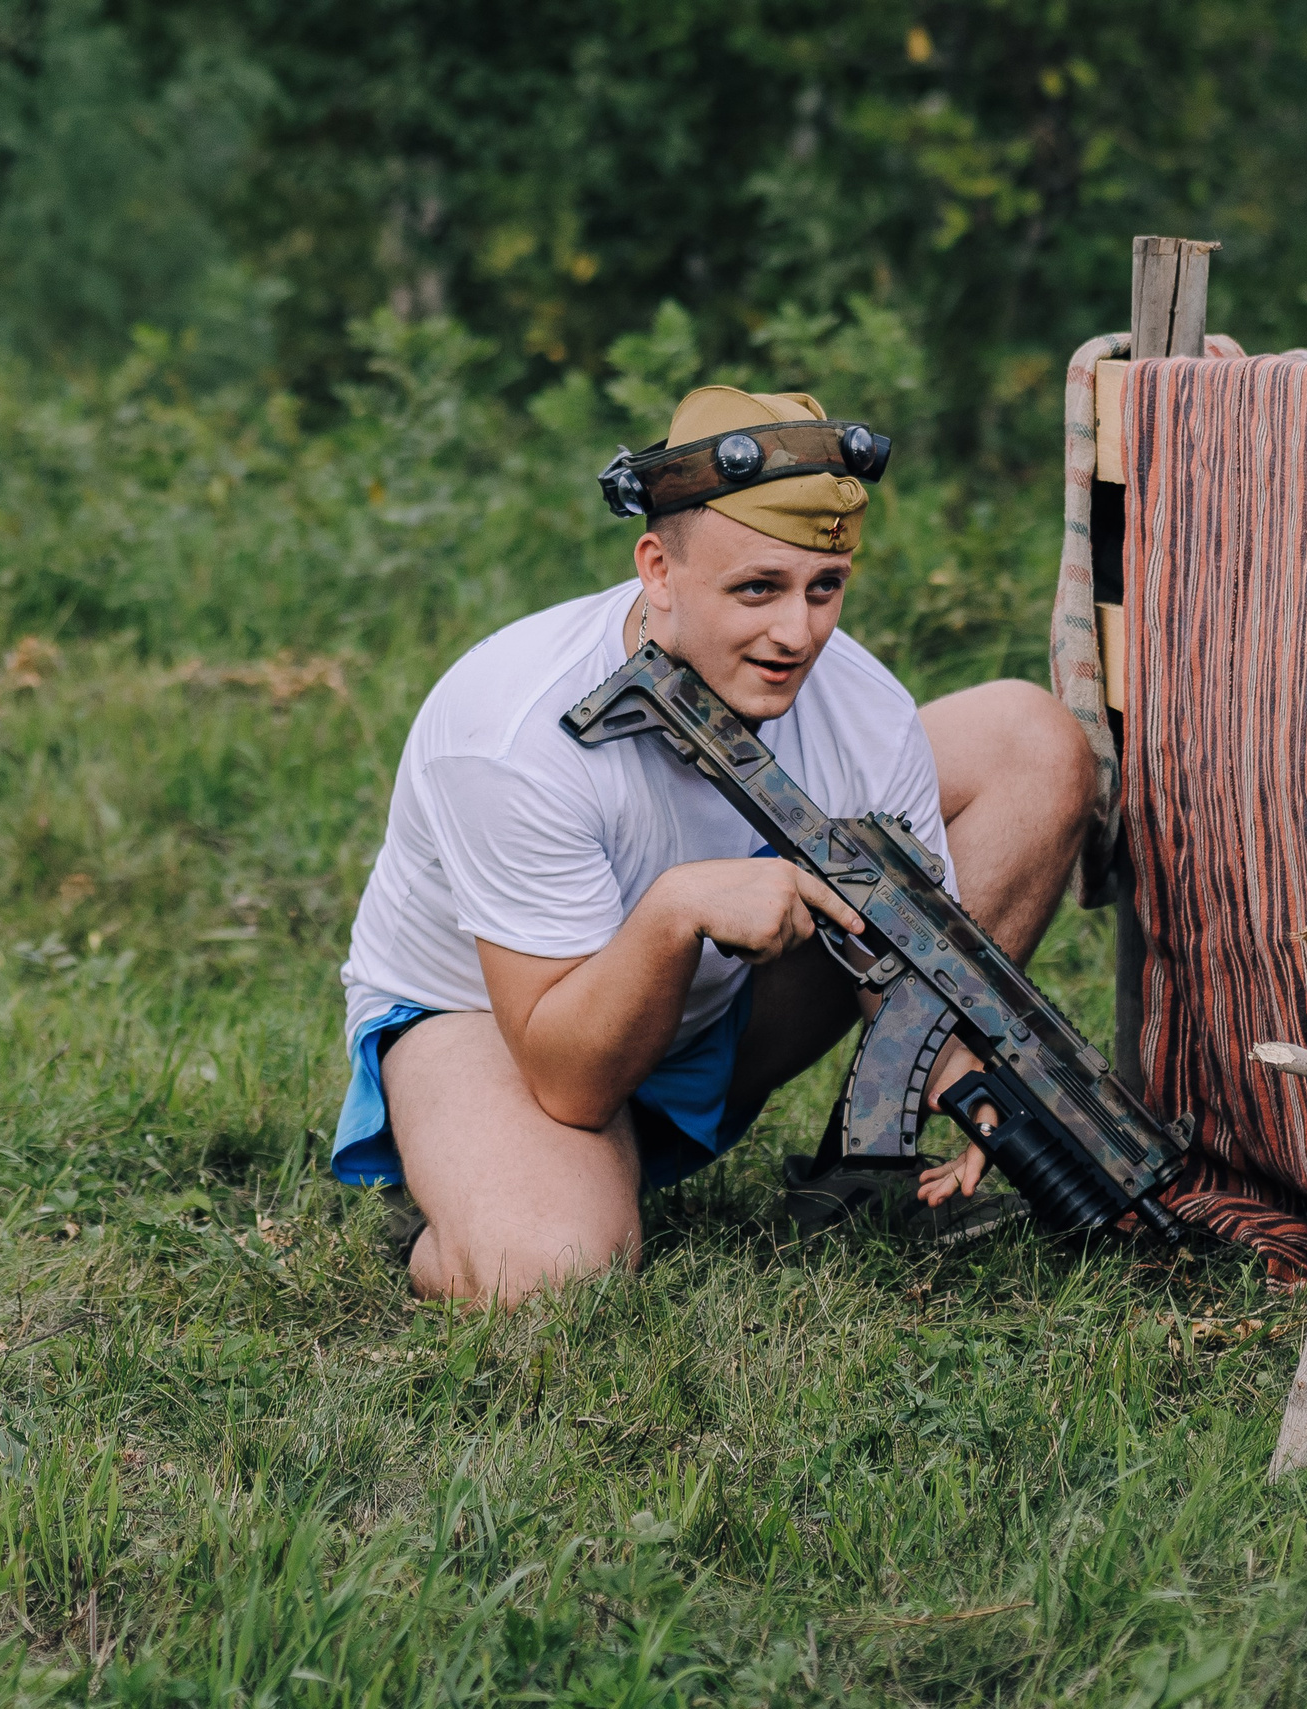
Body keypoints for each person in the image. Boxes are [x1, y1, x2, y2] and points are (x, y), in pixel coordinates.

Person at [332, 385, 1096, 1304]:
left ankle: (859, 1181)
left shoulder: (865, 710)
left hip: (720, 1010)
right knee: (547, 1272)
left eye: (825, 587)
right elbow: (569, 1080)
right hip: (503, 1029)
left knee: (1028, 741)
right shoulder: (510, 733)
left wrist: (974, 1081)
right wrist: (676, 911)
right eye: (757, 589)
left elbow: (907, 960)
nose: (798, 633)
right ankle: (476, 1190)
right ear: (658, 569)